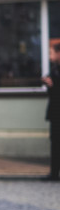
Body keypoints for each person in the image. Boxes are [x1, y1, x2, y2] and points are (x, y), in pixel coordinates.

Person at [45, 40, 60, 181]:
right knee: (55, 143)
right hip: (55, 112)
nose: (49, 56)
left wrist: (53, 85)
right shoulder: (54, 68)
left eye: (51, 53)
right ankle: (54, 173)